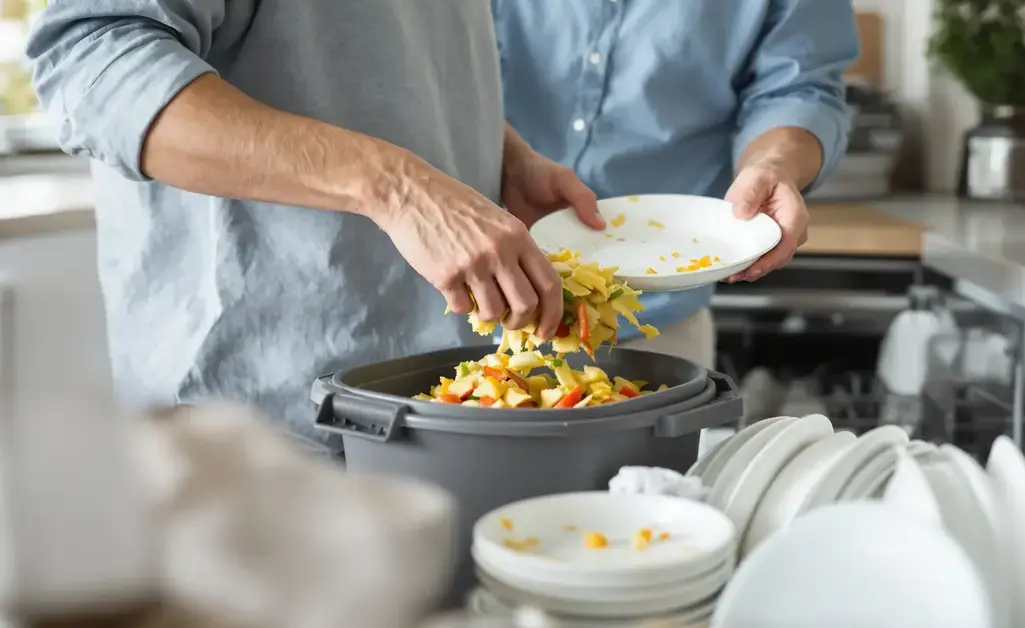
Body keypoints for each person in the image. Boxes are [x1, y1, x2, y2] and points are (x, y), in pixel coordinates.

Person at [25, 0, 604, 451]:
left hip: (433, 395)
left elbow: (369, 55)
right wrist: (397, 187)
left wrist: (498, 153)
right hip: (256, 426)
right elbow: (95, 64)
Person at [493, 0, 859, 369]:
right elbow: (446, 73)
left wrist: (773, 163)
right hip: (464, 293)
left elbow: (799, 89)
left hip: (656, 322)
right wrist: (509, 160)